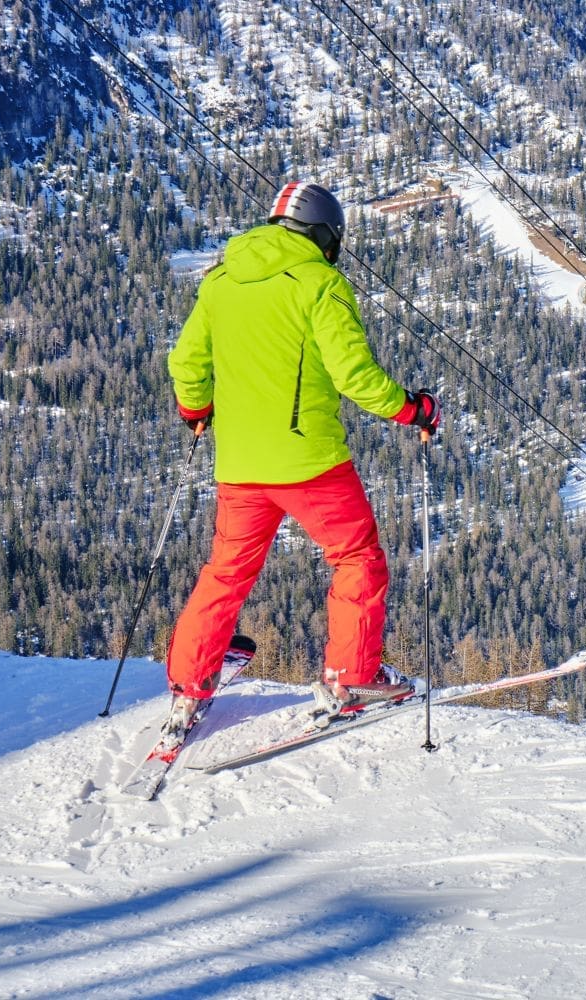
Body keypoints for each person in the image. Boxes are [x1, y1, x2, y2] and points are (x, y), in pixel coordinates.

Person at [161, 181, 440, 735]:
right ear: (322, 236)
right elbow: (354, 377)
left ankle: (189, 684)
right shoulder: (321, 284)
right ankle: (350, 678)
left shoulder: (219, 282)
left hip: (239, 467)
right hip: (310, 464)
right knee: (357, 557)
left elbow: (186, 362)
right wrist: (413, 409)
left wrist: (195, 410)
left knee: (226, 573)